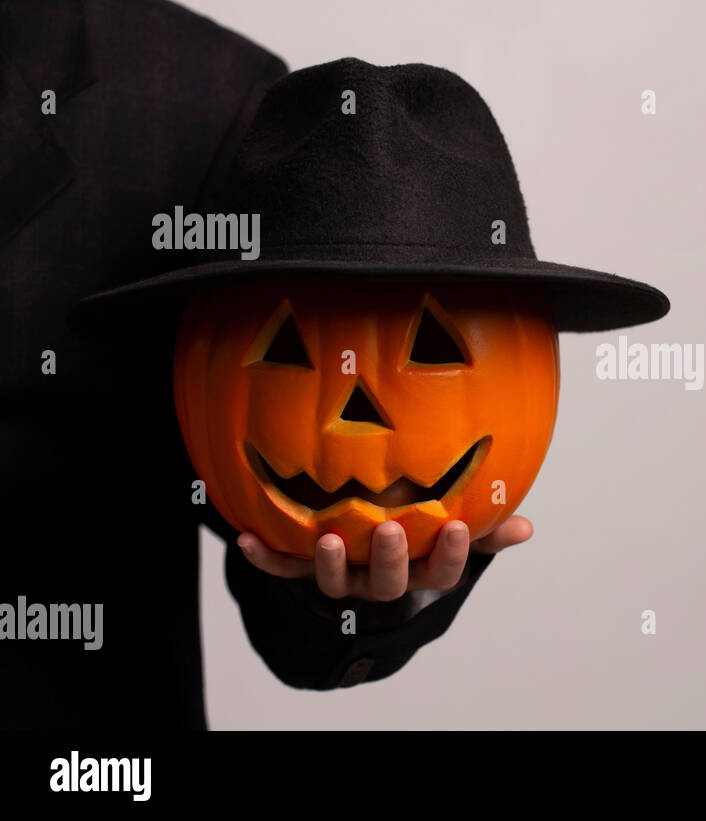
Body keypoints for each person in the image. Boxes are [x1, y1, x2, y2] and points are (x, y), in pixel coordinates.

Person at [0, 0, 534, 731]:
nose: (359, 404)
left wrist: (360, 588)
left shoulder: (201, 94)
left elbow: (257, 504)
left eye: (431, 349)